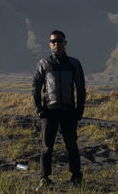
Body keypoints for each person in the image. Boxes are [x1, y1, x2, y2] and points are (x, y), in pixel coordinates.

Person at [32, 29, 86, 185]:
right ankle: (45, 178)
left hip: (68, 111)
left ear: (65, 43)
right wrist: (39, 109)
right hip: (49, 112)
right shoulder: (44, 63)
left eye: (59, 41)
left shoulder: (73, 63)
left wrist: (79, 109)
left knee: (72, 145)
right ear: (49, 44)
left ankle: (76, 177)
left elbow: (81, 87)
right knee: (47, 147)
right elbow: (35, 87)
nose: (56, 44)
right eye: (53, 41)